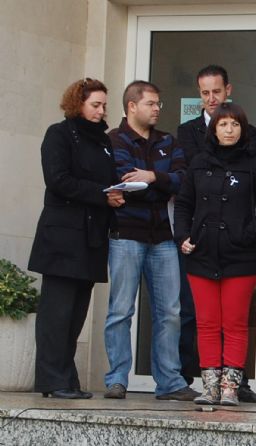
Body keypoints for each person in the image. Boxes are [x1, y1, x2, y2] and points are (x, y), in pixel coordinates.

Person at [174, 102, 256, 406]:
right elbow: (183, 204)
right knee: (206, 323)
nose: (229, 130)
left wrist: (249, 233)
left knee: (234, 323)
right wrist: (182, 236)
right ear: (214, 129)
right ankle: (209, 387)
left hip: (240, 257)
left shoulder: (254, 163)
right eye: (223, 125)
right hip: (202, 254)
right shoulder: (198, 163)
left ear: (243, 129)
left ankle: (231, 388)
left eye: (235, 124)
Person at [29, 78, 124, 399]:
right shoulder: (59, 134)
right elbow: (58, 180)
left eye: (103, 105)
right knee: (56, 313)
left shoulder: (102, 141)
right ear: (77, 104)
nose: (101, 111)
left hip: (91, 236)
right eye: (95, 105)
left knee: (76, 314)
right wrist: (102, 195)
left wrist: (118, 190)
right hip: (63, 237)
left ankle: (66, 379)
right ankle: (52, 380)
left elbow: (104, 179)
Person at [103, 80, 197, 401]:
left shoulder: (168, 142)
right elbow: (123, 181)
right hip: (126, 235)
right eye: (151, 103)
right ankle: (117, 378)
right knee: (120, 311)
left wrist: (153, 177)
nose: (157, 109)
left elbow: (184, 182)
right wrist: (154, 183)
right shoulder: (114, 141)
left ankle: (169, 381)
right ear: (132, 106)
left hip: (164, 239)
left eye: (159, 104)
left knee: (169, 311)